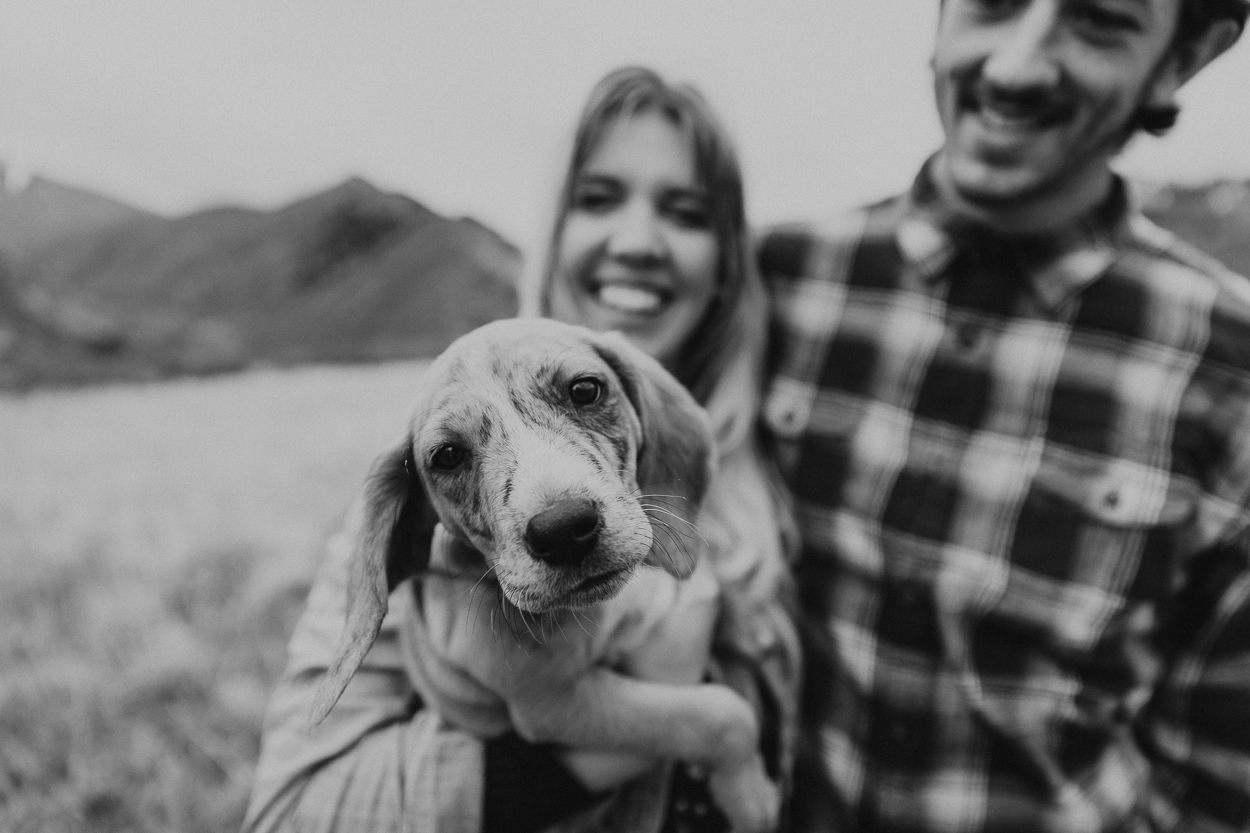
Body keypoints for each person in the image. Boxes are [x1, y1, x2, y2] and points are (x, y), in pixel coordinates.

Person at [242, 67, 800, 833]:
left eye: (580, 394)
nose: (636, 241)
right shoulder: (403, 536)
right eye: (598, 198)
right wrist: (616, 746)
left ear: (729, 255)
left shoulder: (781, 467)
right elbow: (286, 814)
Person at [754, 1, 1250, 831]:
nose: (1016, 67)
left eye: (1097, 21)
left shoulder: (1230, 370)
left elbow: (1221, 783)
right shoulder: (777, 285)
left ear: (1183, 57)